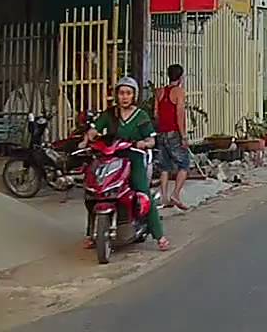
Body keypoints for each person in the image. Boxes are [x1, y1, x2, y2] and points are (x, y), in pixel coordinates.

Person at [81, 76, 169, 251]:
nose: (125, 97)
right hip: (110, 157)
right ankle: (92, 233)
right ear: (117, 95)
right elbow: (94, 130)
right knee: (92, 192)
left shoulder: (141, 116)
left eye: (128, 93)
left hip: (133, 158)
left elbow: (151, 140)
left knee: (143, 192)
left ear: (134, 96)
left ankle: (159, 236)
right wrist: (86, 140)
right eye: (121, 93)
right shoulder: (110, 114)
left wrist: (144, 143)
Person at [155, 64, 191, 210]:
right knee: (184, 164)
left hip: (161, 132)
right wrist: (183, 136)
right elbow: (179, 114)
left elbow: (156, 114)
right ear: (181, 77)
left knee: (164, 167)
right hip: (174, 132)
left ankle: (163, 198)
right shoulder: (179, 92)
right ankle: (175, 194)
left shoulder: (159, 92)